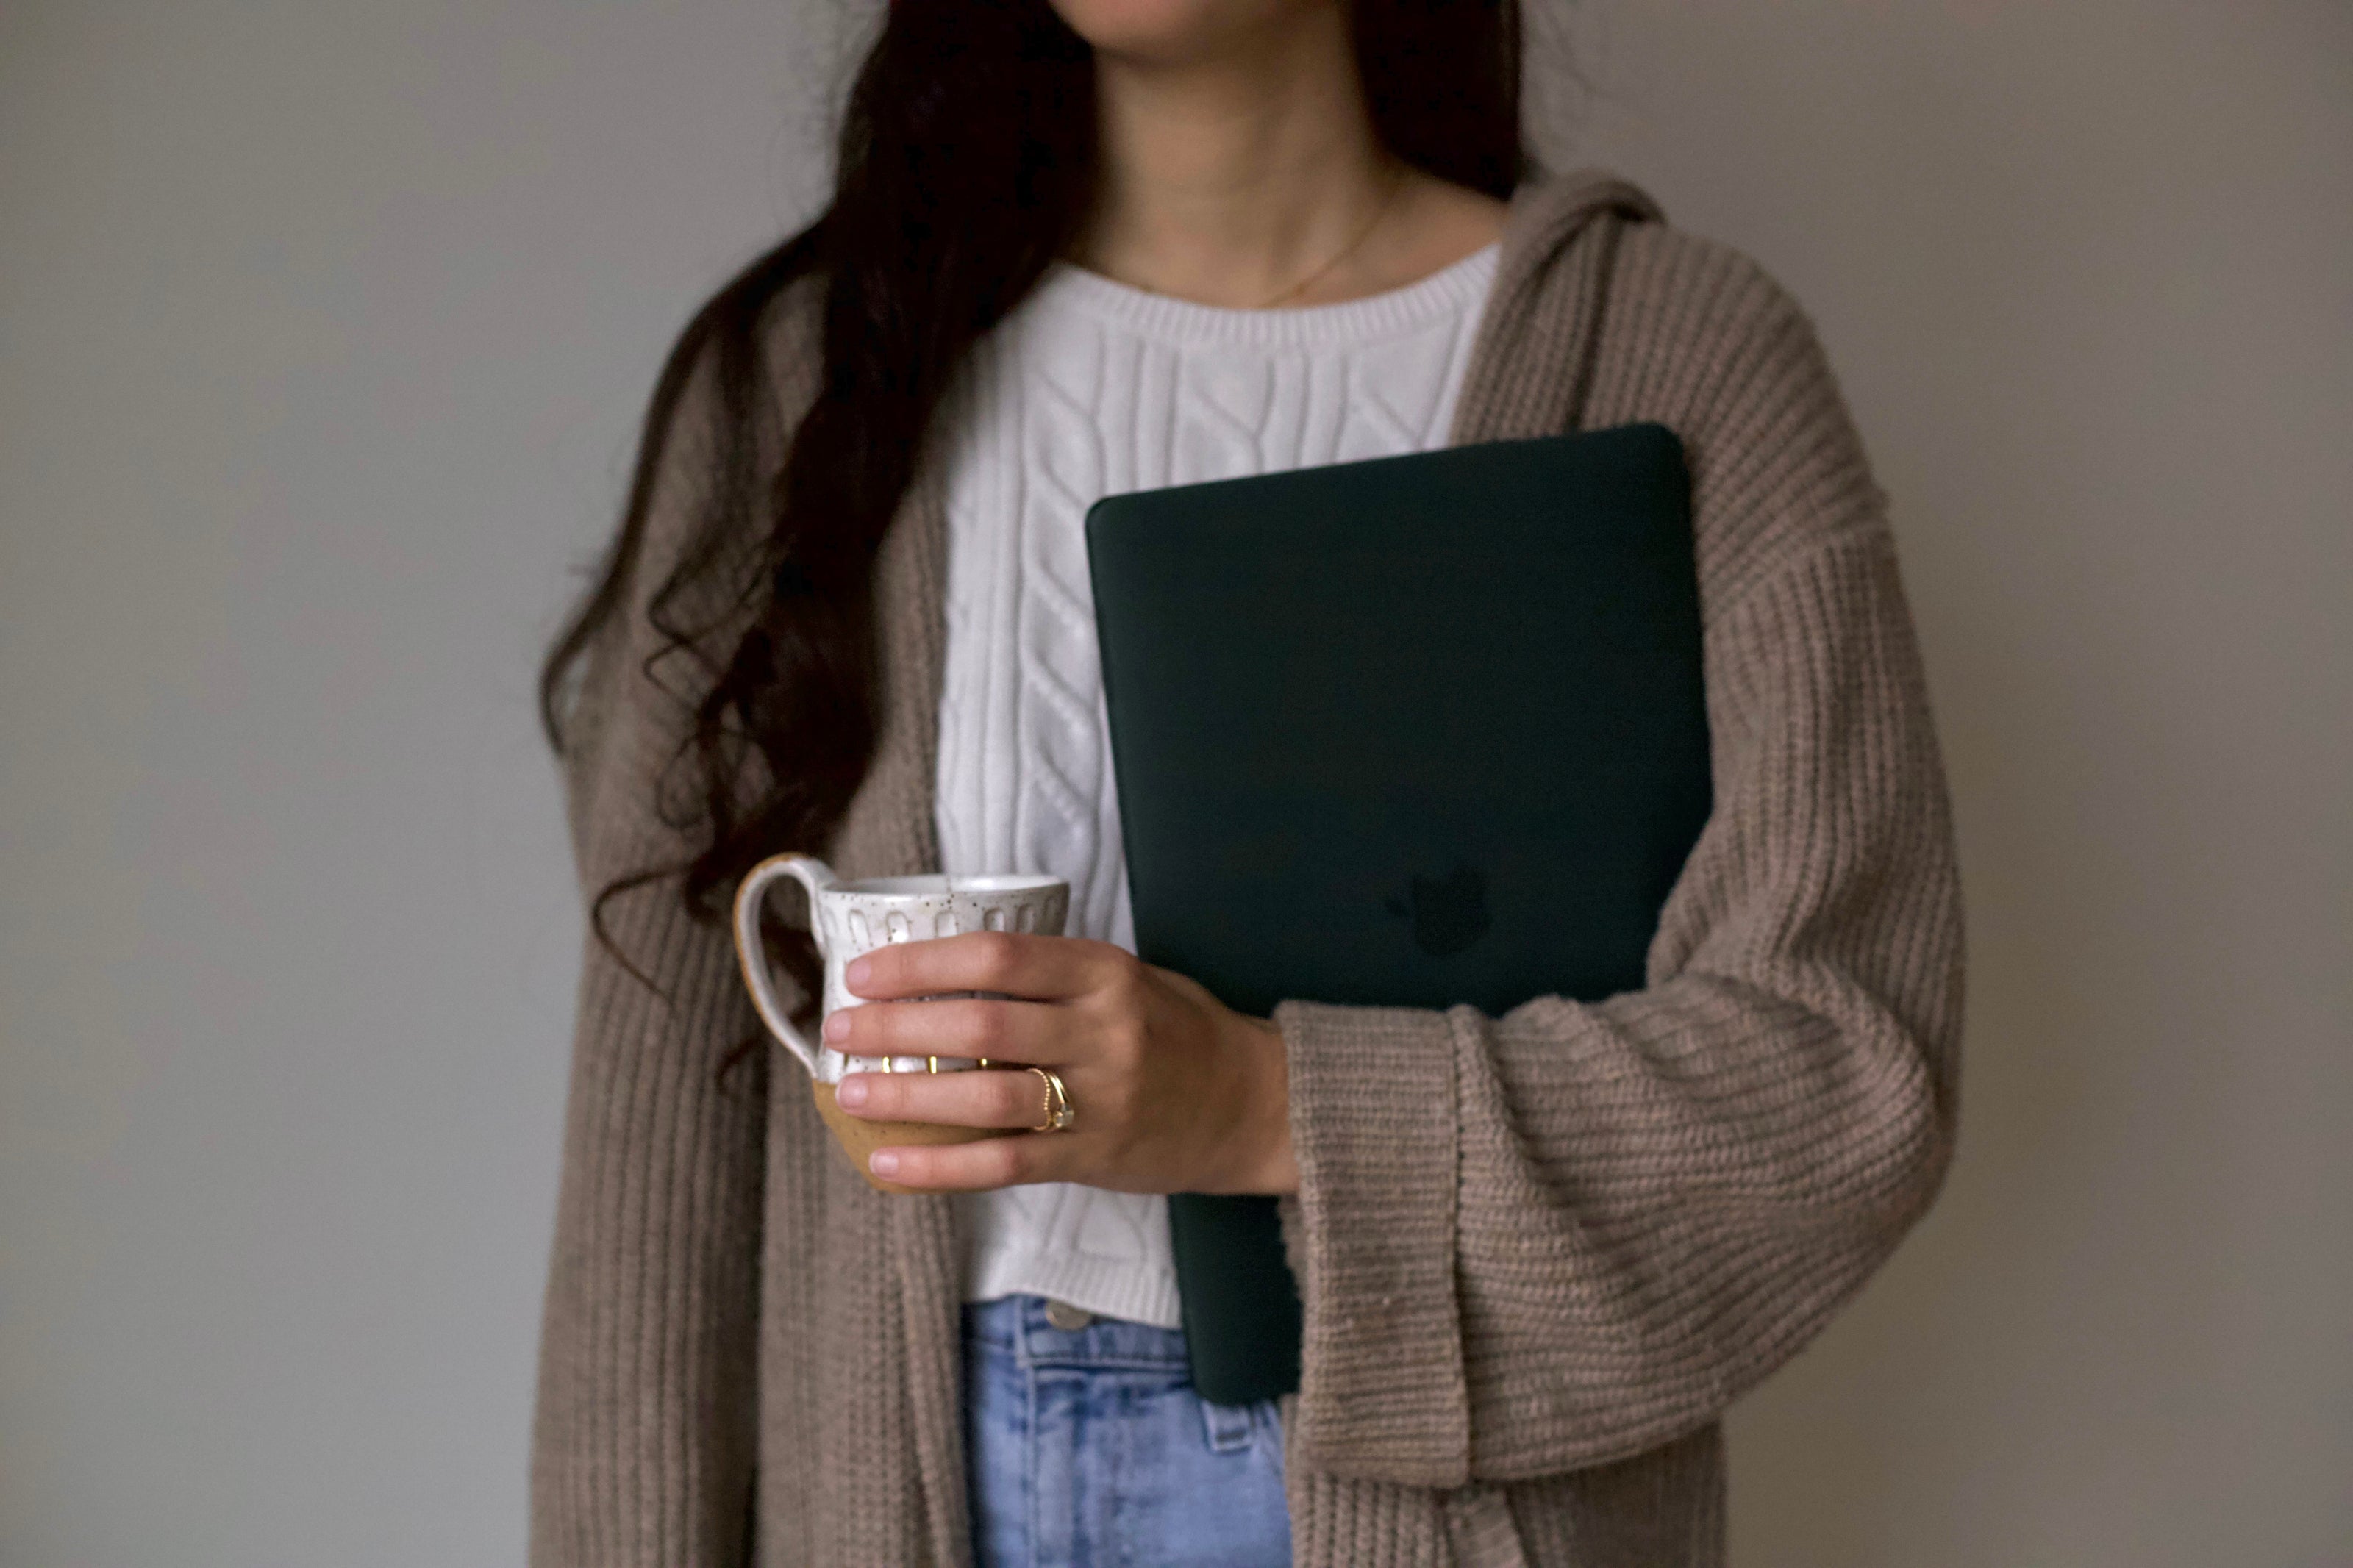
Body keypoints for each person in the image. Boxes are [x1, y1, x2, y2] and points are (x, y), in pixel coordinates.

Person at [527, 1, 1965, 1565]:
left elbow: (1845, 1070)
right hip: (911, 1480)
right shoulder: (810, 382)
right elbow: (651, 1171)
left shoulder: (1674, 361)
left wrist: (1265, 1107)